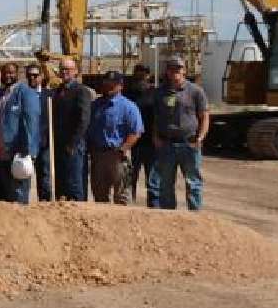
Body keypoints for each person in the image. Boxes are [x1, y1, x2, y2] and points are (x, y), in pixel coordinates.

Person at [152, 56, 208, 210]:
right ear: (167, 72)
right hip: (167, 144)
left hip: (189, 144)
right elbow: (156, 117)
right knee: (165, 183)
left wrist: (200, 138)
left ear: (184, 71)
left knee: (193, 182)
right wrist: (155, 137)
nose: (175, 72)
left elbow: (204, 117)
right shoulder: (160, 92)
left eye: (178, 68)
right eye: (171, 69)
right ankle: (169, 215)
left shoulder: (196, 91)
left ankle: (195, 214)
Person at [86, 71, 143, 205]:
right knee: (99, 194)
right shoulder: (95, 105)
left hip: (118, 155)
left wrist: (124, 148)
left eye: (113, 84)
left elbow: (136, 131)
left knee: (122, 196)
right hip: (98, 155)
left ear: (120, 85)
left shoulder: (128, 106)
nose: (109, 87)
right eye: (106, 84)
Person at [0, 62, 40, 205]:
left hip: (19, 152)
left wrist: (29, 151)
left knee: (19, 193)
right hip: (1, 152)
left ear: (18, 74)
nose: (8, 76)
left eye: (11, 72)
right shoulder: (0, 94)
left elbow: (32, 121)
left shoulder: (25, 93)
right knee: (6, 193)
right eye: (5, 73)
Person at [51, 58, 92, 201]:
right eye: (62, 69)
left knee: (75, 183)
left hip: (74, 145)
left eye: (68, 69)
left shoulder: (81, 91)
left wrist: (73, 143)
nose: (64, 72)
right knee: (61, 183)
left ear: (75, 71)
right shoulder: (57, 92)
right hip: (58, 144)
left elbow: (83, 120)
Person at [124, 64, 158, 206]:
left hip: (152, 143)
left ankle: (154, 207)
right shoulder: (127, 94)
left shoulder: (155, 94)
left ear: (148, 75)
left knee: (153, 180)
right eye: (137, 73)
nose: (140, 76)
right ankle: (130, 205)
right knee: (130, 178)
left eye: (143, 74)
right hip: (132, 144)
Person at [25, 63, 52, 201]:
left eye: (35, 75)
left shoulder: (49, 96)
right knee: (24, 175)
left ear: (41, 77)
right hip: (26, 144)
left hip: (44, 143)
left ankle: (45, 204)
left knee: (45, 177)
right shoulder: (22, 95)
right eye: (29, 76)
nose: (32, 78)